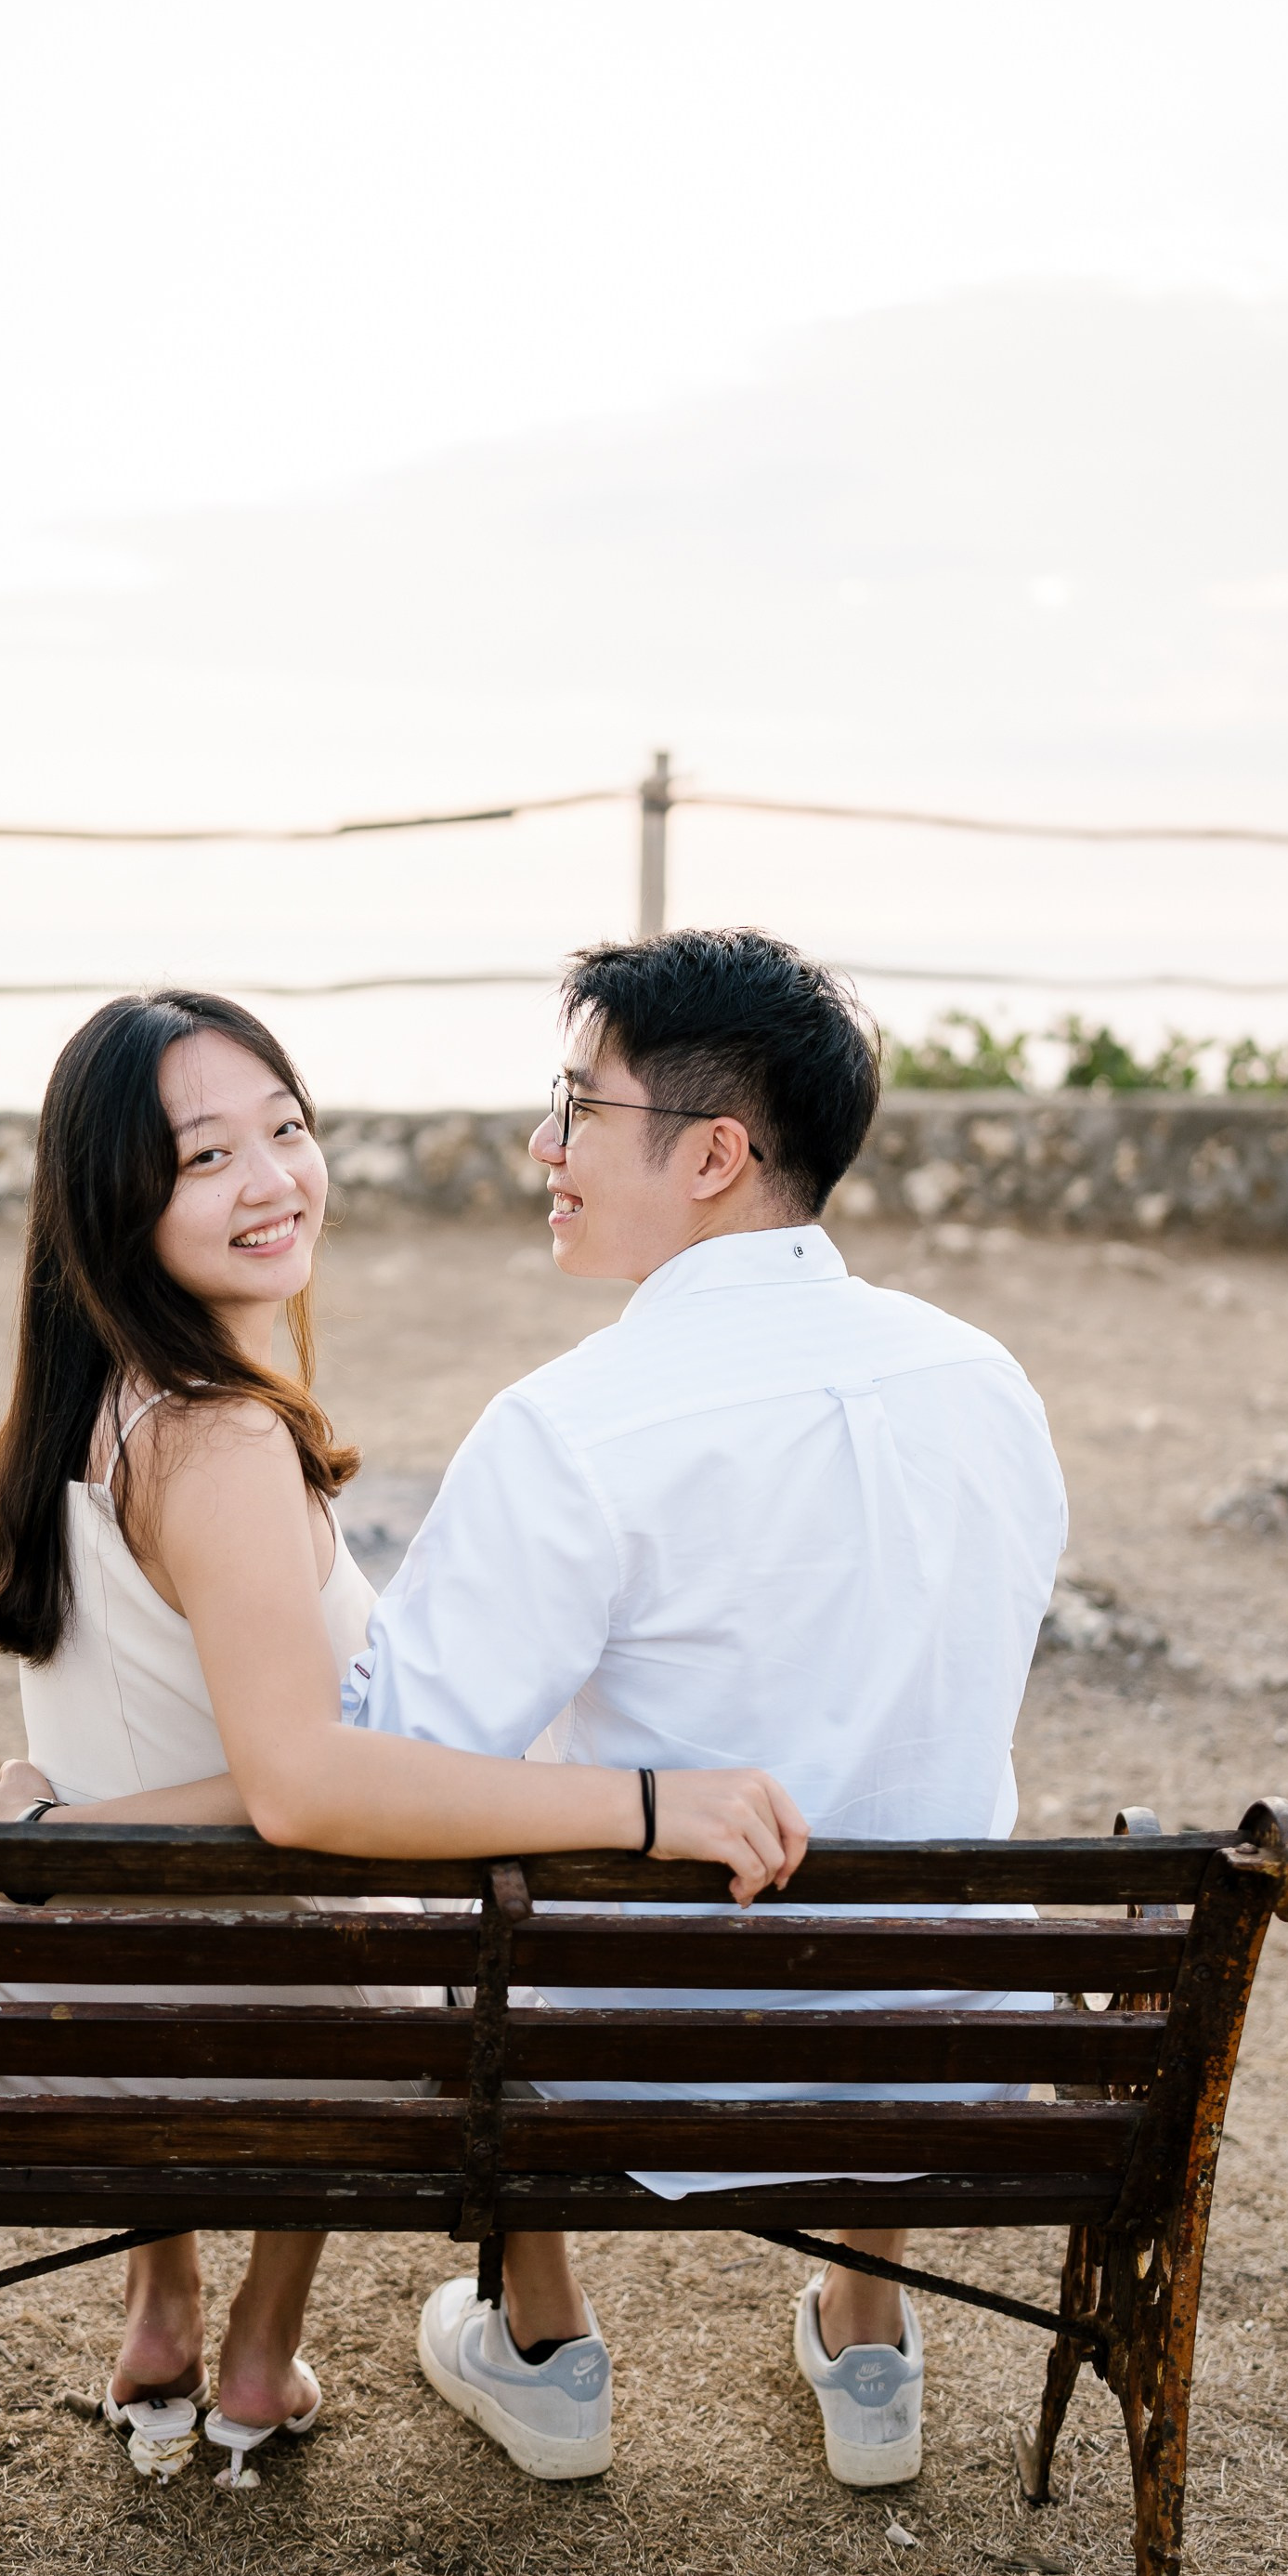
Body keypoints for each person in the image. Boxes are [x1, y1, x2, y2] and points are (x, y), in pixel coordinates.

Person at [0, 988, 806, 2488]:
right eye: (206, 1156)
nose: (273, 1180)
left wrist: (56, 1835)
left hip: (97, 2002)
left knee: (318, 1875)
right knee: (387, 1890)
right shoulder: (218, 1439)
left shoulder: (91, 1406)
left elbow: (158, 1751)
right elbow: (302, 1788)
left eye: (287, 1131)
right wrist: (645, 1803)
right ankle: (260, 2355)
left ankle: (162, 2315)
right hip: (249, 2029)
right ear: (115, 1193)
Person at [347, 926, 1067, 2489]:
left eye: (577, 1106)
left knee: (503, 1816)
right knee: (896, 1756)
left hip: (649, 2044)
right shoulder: (987, 1382)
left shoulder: (573, 1425)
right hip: (935, 2042)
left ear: (716, 1155)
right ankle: (866, 2326)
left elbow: (394, 1755)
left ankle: (545, 2349)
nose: (543, 1145)